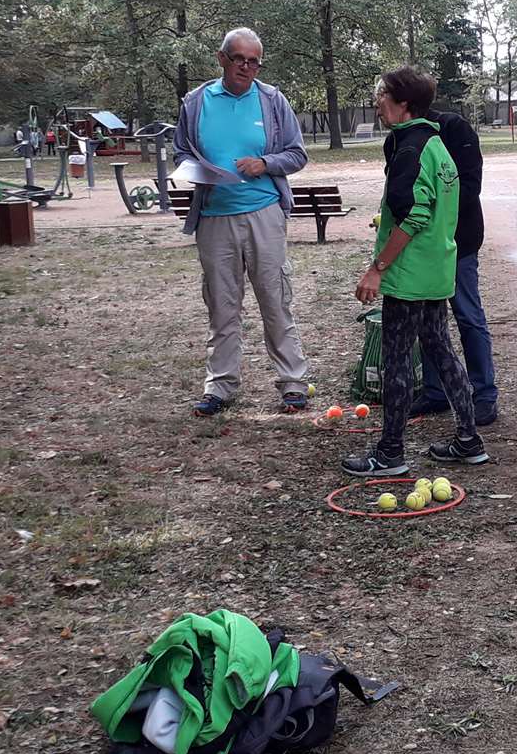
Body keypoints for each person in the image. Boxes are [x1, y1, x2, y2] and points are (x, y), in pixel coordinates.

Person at [343, 65, 488, 476]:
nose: (377, 100)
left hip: (408, 277)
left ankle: (390, 453)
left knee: (398, 361)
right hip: (436, 269)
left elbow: (415, 216)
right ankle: (468, 439)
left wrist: (377, 269)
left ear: (402, 102)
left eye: (382, 93)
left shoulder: (410, 148)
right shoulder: (437, 145)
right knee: (441, 350)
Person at [174, 27, 313, 416]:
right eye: (240, 60)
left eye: (254, 62)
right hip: (214, 217)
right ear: (222, 59)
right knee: (221, 305)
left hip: (263, 213)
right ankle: (220, 385)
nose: (247, 68)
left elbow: (296, 154)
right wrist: (197, 171)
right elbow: (181, 153)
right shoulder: (196, 102)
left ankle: (293, 383)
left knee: (275, 298)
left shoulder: (272, 101)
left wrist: (265, 163)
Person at [415, 105, 499, 427]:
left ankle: (484, 394)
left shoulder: (454, 128)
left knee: (467, 315)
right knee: (428, 319)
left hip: (457, 242)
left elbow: (469, 187)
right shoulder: (403, 136)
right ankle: (436, 392)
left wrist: (429, 213)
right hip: (421, 245)